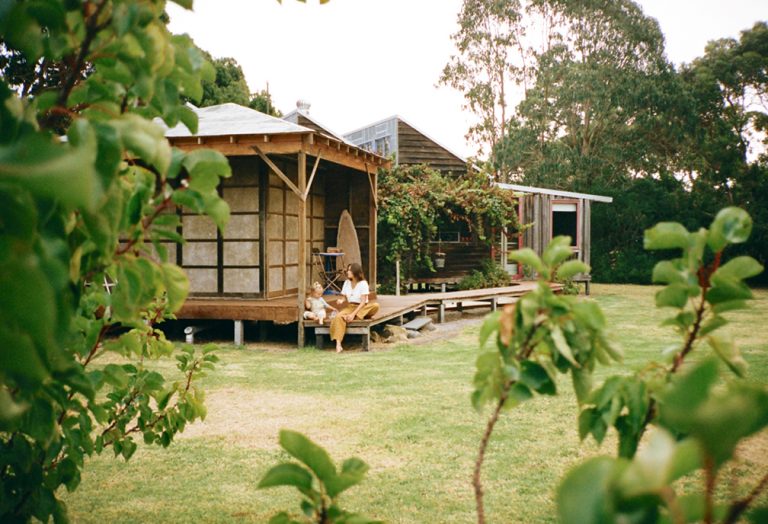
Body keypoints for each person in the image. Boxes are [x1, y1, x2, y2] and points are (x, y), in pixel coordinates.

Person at [330, 263, 379, 353]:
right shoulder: (346, 283)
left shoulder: (363, 283)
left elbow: (363, 302)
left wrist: (353, 314)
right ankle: (338, 344)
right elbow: (344, 297)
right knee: (338, 317)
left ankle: (352, 317)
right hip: (350, 306)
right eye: (348, 270)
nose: (347, 272)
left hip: (362, 307)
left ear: (355, 272)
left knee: (375, 305)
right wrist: (341, 300)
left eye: (349, 270)